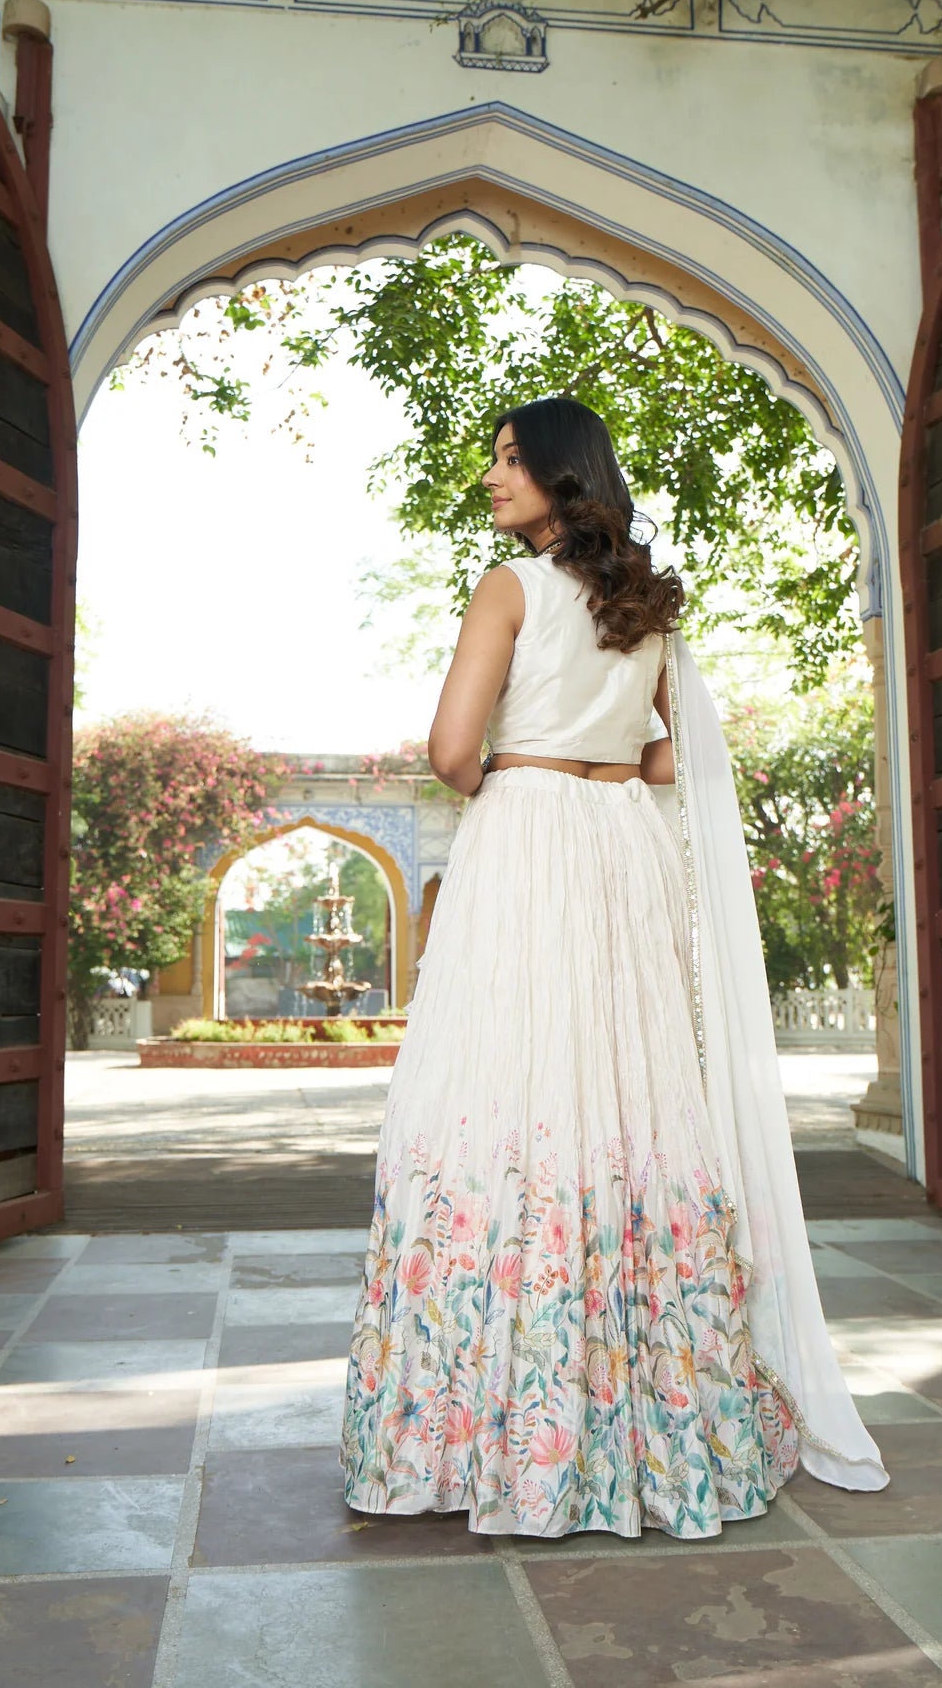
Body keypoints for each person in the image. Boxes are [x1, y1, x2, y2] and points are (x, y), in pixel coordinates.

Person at [339, 396, 889, 1539]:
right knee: (630, 1096)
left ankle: (492, 1429)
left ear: (559, 474)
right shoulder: (646, 604)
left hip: (530, 831)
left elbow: (450, 751)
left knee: (510, 1086)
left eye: (509, 460)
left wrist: (515, 783)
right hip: (621, 845)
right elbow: (665, 755)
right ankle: (656, 1426)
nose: (492, 478)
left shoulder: (509, 588)